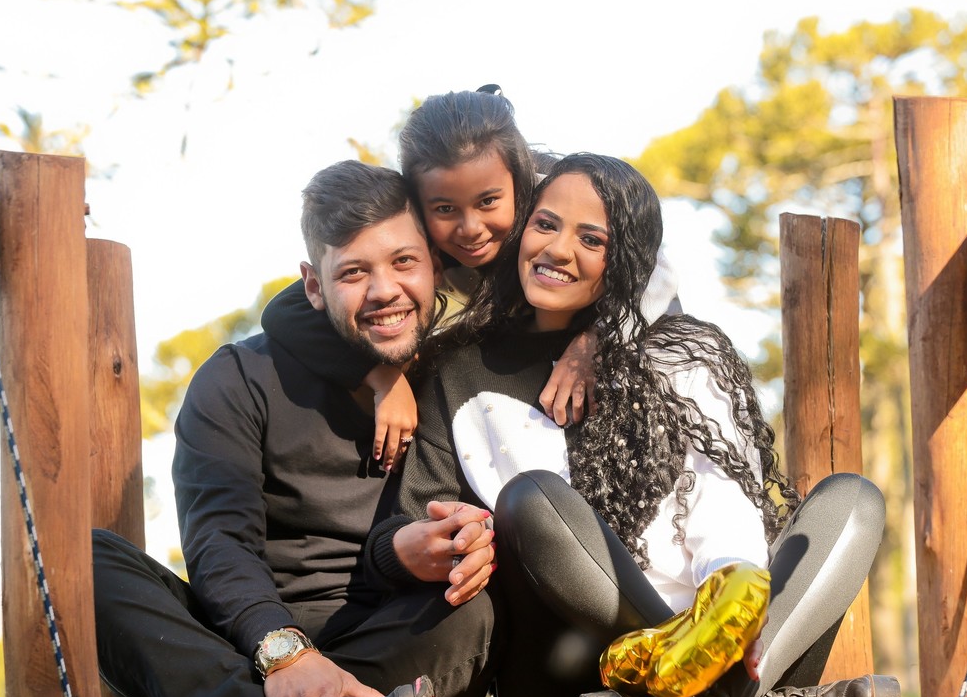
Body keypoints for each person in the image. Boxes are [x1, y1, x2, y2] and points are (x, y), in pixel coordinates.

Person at [363, 153, 901, 697]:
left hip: (737, 652)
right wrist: (444, 538)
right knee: (530, 499)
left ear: (628, 259)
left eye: (592, 239)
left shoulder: (681, 353)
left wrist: (732, 597)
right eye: (545, 224)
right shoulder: (457, 370)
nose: (558, 249)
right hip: (577, 678)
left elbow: (722, 491)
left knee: (854, 500)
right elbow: (409, 524)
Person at [92, 160, 499, 697]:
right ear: (312, 286)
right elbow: (220, 545)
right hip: (244, 652)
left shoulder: (461, 384)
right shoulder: (236, 379)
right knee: (85, 562)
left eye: (403, 262)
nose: (384, 289)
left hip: (387, 655)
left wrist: (470, 542)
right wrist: (287, 656)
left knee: (474, 608)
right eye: (353, 272)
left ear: (435, 266)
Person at [260, 87, 680, 473]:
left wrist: (597, 339)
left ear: (521, 181)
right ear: (418, 204)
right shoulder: (415, 241)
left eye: (488, 201)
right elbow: (286, 308)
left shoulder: (551, 205)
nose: (470, 229)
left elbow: (657, 267)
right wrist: (381, 377)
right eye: (444, 209)